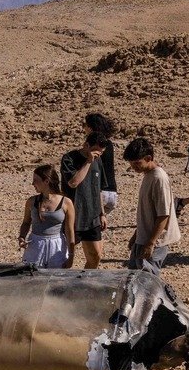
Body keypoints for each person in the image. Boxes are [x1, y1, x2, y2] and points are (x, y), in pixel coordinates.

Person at [124, 137, 180, 273]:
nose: (134, 167)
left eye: (137, 163)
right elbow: (148, 213)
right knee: (133, 276)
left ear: (148, 158)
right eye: (131, 164)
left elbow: (163, 215)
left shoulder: (159, 178)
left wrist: (151, 243)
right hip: (143, 238)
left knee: (148, 278)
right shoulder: (148, 175)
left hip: (153, 241)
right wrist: (136, 235)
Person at [61, 133, 110, 268]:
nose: (98, 155)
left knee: (96, 256)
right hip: (73, 216)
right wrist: (88, 161)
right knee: (65, 259)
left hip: (92, 216)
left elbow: (98, 188)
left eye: (101, 152)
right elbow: (73, 183)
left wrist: (102, 214)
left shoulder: (98, 160)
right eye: (96, 151)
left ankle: (84, 279)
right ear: (86, 145)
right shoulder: (69, 158)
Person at [17, 165, 75, 269]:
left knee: (56, 276)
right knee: (32, 275)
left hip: (57, 245)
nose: (33, 183)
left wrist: (71, 256)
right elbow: (26, 222)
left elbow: (69, 231)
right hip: (35, 245)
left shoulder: (66, 202)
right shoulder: (31, 201)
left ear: (46, 181)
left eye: (36, 180)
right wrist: (22, 237)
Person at [85, 114, 119, 213]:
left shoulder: (93, 145)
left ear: (90, 127)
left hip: (100, 192)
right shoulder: (109, 144)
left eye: (85, 125)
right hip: (112, 192)